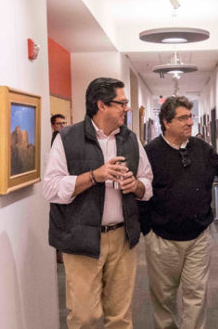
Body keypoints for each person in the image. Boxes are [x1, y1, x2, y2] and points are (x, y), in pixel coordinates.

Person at [43, 77, 153, 329]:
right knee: (85, 317)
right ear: (101, 105)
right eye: (122, 103)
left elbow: (147, 183)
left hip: (123, 238)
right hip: (80, 238)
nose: (127, 108)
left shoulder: (131, 139)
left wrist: (134, 185)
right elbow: (50, 188)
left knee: (120, 317)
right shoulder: (66, 138)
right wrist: (95, 176)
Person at [140, 96, 218, 329]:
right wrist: (147, 230)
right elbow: (140, 192)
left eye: (190, 117)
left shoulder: (201, 147)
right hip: (162, 238)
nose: (190, 123)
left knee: (196, 295)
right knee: (164, 297)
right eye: (183, 118)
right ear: (166, 122)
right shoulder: (150, 152)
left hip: (199, 237)